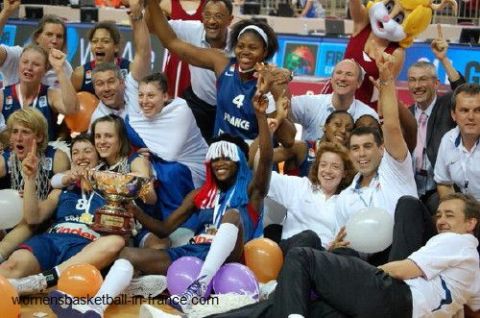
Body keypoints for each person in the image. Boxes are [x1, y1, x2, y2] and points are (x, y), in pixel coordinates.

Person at [183, 193, 480, 318]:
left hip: (393, 295)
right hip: (392, 312)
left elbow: (403, 270)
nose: (441, 221)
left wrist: (357, 275)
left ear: (470, 224)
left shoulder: (456, 241)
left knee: (303, 257)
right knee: (292, 303)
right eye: (439, 214)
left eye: (450, 215)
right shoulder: (473, 267)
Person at [118, 80, 275, 313]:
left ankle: (197, 288)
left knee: (231, 216)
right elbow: (163, 230)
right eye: (215, 159)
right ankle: (96, 305)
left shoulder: (252, 191)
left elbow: (266, 160)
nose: (220, 163)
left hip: (231, 260)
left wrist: (261, 117)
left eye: (226, 158)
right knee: (127, 253)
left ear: (239, 162)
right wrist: (134, 210)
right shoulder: (199, 195)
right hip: (193, 254)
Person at [147, 0, 296, 145]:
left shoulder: (276, 82)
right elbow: (170, 41)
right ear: (234, 47)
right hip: (216, 141)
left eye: (252, 47)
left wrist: (269, 104)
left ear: (265, 52)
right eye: (241, 46)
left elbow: (289, 140)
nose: (245, 51)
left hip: (253, 154)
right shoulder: (222, 62)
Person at [125, 72, 209, 246]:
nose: (144, 101)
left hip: (194, 169)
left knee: (169, 171)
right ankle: (150, 226)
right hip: (164, 163)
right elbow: (131, 126)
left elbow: (170, 153)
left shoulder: (181, 110)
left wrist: (149, 153)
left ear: (165, 96)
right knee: (140, 168)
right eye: (140, 95)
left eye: (151, 95)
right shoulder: (135, 118)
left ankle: (182, 225)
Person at [146, 0, 233, 141]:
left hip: (228, 108)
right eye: (208, 15)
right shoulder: (192, 29)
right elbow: (152, 28)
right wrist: (152, 4)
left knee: (223, 154)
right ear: (202, 17)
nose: (212, 21)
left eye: (218, 16)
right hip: (198, 103)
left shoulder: (240, 43)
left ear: (230, 20)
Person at [0, 108, 70, 263]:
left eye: (25, 132)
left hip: (44, 220)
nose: (18, 138)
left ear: (38, 136)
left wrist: (32, 199)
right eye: (14, 131)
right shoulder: (8, 158)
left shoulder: (57, 157)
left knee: (29, 221)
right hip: (10, 222)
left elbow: (56, 200)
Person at [408, 25, 465, 211]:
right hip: (410, 187)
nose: (417, 85)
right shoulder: (406, 115)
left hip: (440, 189)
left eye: (423, 79)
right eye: (412, 80)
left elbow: (463, 92)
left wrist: (443, 59)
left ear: (436, 83)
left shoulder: (447, 106)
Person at [266, 142, 355, 255]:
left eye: (335, 167)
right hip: (293, 251)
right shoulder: (300, 186)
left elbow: (343, 240)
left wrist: (334, 247)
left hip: (323, 257)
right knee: (310, 237)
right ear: (317, 167)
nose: (327, 170)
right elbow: (264, 177)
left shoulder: (346, 203)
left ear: (344, 173)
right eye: (323, 165)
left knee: (348, 253)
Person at [88, 0, 151, 125]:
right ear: (94, 89)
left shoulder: (131, 85)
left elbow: (143, 53)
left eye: (111, 82)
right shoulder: (97, 120)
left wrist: (137, 16)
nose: (106, 89)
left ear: (123, 82)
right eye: (100, 84)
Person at [0, 45, 79, 142]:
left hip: (44, 154)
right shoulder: (3, 96)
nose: (29, 67)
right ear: (19, 64)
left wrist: (59, 69)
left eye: (36, 64)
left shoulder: (50, 95)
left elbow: (72, 109)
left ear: (45, 70)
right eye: (25, 62)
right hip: (12, 153)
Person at [291, 58, 377, 142]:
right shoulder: (310, 103)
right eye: (339, 73)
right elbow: (282, 107)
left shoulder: (368, 115)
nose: (342, 78)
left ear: (359, 83)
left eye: (349, 74)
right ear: (331, 79)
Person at [0, 1, 73, 88]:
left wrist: (59, 70)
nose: (54, 40)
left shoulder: (65, 68)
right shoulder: (18, 55)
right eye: (49, 34)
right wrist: (6, 12)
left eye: (59, 36)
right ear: (37, 37)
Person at [434, 83, 480, 201]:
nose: (471, 117)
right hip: (465, 210)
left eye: (478, 110)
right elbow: (443, 183)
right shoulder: (448, 140)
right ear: (454, 115)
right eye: (464, 110)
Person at [159, 0, 206, 99]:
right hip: (176, 59)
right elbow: (150, 24)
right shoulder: (168, 3)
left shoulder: (210, 4)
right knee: (172, 100)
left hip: (199, 59)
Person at [71, 21, 131, 95]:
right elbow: (69, 104)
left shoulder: (130, 69)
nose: (98, 45)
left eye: (105, 41)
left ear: (116, 47)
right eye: (94, 41)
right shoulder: (80, 74)